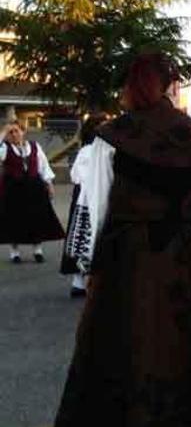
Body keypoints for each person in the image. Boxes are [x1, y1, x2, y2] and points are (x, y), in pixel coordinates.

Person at [52, 52, 191, 427]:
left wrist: (88, 265)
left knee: (129, 347)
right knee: (187, 351)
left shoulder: (112, 138)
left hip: (128, 260)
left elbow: (92, 208)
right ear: (172, 85)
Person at [0, 119, 65, 263]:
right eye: (11, 132)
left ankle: (37, 250)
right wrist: (3, 132)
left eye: (16, 131)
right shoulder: (4, 148)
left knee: (36, 218)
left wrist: (49, 184)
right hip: (13, 190)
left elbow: (43, 166)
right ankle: (14, 252)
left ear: (23, 132)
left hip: (34, 188)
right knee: (14, 220)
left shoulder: (34, 146)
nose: (14, 134)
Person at [60, 115, 108, 298]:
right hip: (85, 199)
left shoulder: (107, 150)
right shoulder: (87, 151)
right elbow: (78, 176)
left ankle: (93, 280)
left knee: (96, 238)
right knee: (82, 237)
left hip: (99, 197)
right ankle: (78, 281)